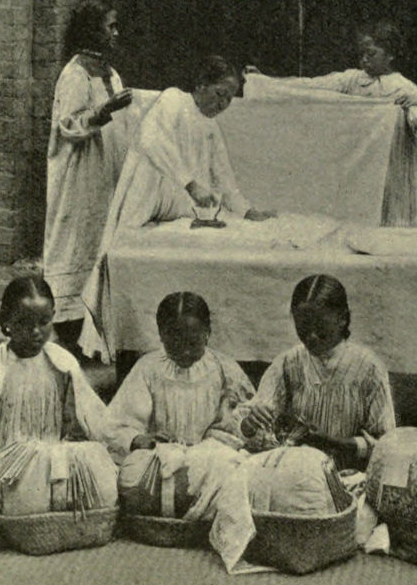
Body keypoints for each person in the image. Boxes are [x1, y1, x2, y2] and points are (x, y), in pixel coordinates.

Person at [79, 55, 275, 359]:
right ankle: (118, 343)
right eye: (219, 94)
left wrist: (248, 211)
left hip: (174, 208)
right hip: (145, 197)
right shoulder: (173, 100)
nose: (223, 104)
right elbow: (153, 141)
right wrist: (190, 183)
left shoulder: (210, 127)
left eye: (229, 99)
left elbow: (224, 177)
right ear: (200, 85)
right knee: (122, 257)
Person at [247, 20, 417, 226]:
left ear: (390, 54)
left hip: (393, 178)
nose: (364, 60)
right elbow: (310, 87)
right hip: (360, 173)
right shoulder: (351, 80)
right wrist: (266, 82)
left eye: (371, 54)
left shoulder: (404, 90)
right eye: (362, 54)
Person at [0, 277, 119, 517]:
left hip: (56, 464)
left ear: (53, 316)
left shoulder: (62, 364)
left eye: (44, 322)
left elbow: (87, 424)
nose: (36, 332)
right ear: (5, 321)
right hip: (7, 472)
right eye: (24, 323)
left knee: (103, 482)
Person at [43, 0, 134, 356]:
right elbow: (68, 125)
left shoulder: (110, 72)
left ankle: (95, 334)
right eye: (109, 26)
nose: (115, 33)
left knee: (101, 240)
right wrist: (103, 112)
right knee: (76, 241)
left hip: (106, 174)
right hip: (80, 174)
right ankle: (67, 332)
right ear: (91, 29)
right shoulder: (75, 74)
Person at [239, 274, 396, 471]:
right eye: (303, 327)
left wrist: (335, 443)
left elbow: (386, 446)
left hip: (347, 477)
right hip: (291, 471)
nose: (311, 336)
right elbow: (251, 428)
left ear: (342, 319)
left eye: (320, 326)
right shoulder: (288, 364)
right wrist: (250, 423)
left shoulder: (369, 369)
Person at [108, 292, 255, 458]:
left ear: (207, 334)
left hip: (211, 458)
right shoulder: (148, 369)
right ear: (161, 335)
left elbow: (239, 423)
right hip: (160, 457)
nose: (185, 351)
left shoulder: (224, 370)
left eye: (193, 343)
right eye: (175, 343)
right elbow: (117, 424)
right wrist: (138, 439)